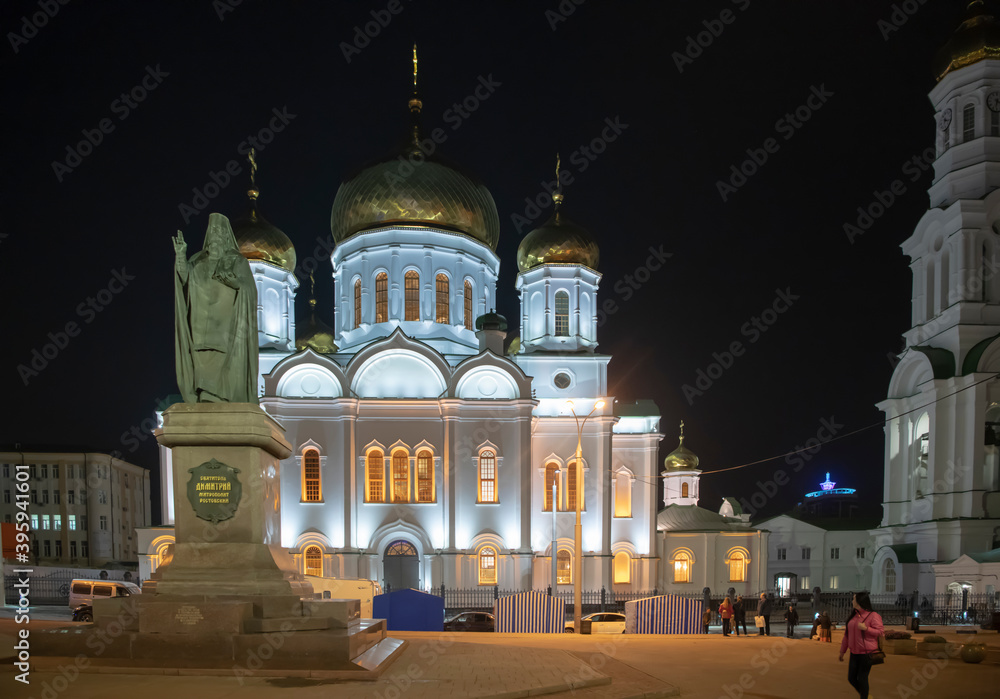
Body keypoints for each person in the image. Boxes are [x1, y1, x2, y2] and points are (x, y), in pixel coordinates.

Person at [173, 214, 259, 404]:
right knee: (201, 360)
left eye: (219, 232)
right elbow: (185, 281)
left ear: (226, 237)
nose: (215, 236)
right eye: (212, 232)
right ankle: (204, 395)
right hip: (200, 324)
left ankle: (218, 396)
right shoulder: (198, 261)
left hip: (225, 326)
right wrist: (180, 256)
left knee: (223, 361)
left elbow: (249, 289)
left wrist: (236, 283)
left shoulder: (237, 261)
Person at [839, 591, 885, 699]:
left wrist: (866, 629)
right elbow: (847, 635)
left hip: (867, 653)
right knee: (851, 678)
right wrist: (842, 651)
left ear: (859, 601)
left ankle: (864, 697)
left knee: (862, 678)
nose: (852, 601)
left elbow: (881, 632)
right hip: (854, 652)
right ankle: (866, 695)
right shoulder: (853, 616)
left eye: (854, 599)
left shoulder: (873, 615)